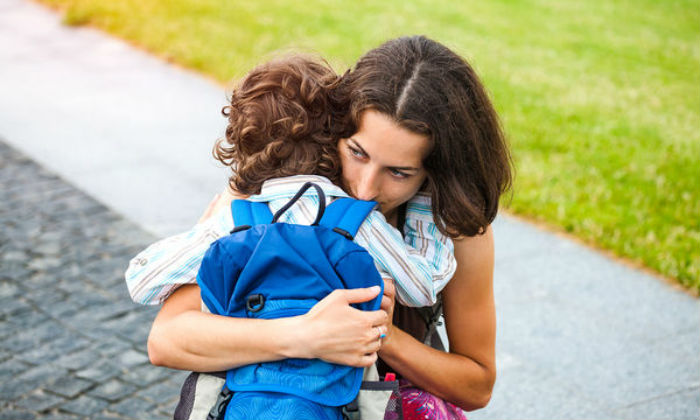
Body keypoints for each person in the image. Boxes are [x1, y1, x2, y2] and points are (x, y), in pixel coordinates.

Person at [141, 35, 512, 415]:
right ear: (337, 130)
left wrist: (380, 334)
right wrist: (306, 335)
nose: (366, 189)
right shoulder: (279, 195)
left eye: (399, 172)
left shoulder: (453, 228)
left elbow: (477, 385)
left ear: (437, 173)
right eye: (357, 153)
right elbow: (167, 339)